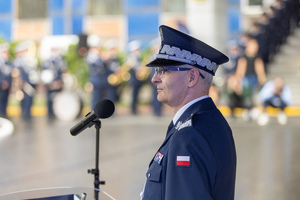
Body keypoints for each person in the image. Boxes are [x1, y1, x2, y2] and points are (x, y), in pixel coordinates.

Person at [140, 25, 236, 200]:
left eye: (164, 70)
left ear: (192, 77)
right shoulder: (210, 120)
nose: (155, 78)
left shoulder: (188, 135)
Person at [41, 48, 67, 119]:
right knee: (49, 99)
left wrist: (59, 83)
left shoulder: (61, 61)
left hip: (58, 84)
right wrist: (51, 84)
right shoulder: (46, 62)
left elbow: (62, 72)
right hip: (50, 84)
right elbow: (45, 74)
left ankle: (57, 113)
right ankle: (50, 114)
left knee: (58, 100)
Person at [0, 43, 12, 118]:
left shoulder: (8, 62)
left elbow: (9, 73)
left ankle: (3, 114)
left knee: (5, 101)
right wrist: (2, 82)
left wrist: (8, 82)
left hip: (7, 85)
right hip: (1, 85)